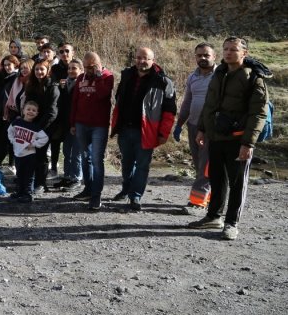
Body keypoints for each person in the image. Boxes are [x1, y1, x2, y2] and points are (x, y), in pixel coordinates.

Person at [190, 37, 270, 241]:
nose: (228, 53)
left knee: (237, 183)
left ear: (245, 53)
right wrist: (201, 129)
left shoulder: (254, 78)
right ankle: (213, 216)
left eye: (233, 49)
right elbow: (210, 104)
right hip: (216, 136)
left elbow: (258, 114)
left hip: (238, 139)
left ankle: (231, 223)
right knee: (217, 179)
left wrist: (248, 143)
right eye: (225, 49)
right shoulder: (219, 72)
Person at [110, 47, 177, 211]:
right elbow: (118, 99)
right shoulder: (127, 75)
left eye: (146, 58)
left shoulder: (163, 81)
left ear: (153, 60)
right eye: (139, 57)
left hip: (147, 131)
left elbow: (169, 112)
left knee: (142, 165)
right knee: (126, 163)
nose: (141, 61)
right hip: (125, 128)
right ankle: (126, 189)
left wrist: (163, 133)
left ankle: (136, 196)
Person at [174, 43, 217, 215]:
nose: (203, 58)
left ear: (214, 56)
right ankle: (208, 197)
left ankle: (197, 203)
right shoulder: (193, 77)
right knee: (199, 164)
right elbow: (187, 103)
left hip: (211, 128)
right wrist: (179, 124)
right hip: (192, 126)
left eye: (206, 55)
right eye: (199, 55)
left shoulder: (220, 76)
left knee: (206, 164)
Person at [70, 52, 115, 210]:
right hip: (81, 123)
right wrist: (73, 123)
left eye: (92, 65)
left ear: (99, 63)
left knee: (97, 160)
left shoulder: (107, 76)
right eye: (86, 66)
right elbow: (74, 101)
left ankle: (96, 195)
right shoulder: (80, 78)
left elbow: (103, 95)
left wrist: (97, 76)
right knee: (85, 157)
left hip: (99, 126)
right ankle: (88, 189)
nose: (88, 69)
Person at [24, 59, 59, 193]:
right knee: (29, 152)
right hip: (31, 123)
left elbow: (52, 111)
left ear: (47, 70)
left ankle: (41, 183)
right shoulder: (31, 84)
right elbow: (28, 103)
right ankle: (29, 180)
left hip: (46, 126)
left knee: (41, 154)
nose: (39, 72)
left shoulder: (52, 87)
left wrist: (39, 128)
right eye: (37, 69)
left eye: (42, 69)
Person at [7, 100, 49, 203]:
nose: (31, 112)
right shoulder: (16, 122)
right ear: (23, 110)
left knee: (29, 175)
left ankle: (28, 194)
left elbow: (45, 138)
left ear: (37, 113)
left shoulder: (36, 127)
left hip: (29, 155)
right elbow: (10, 131)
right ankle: (20, 192)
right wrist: (13, 140)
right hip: (18, 154)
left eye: (34, 110)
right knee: (19, 174)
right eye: (28, 109)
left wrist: (34, 144)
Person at [52, 59, 84, 191]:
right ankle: (67, 176)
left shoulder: (82, 84)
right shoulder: (64, 84)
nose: (71, 71)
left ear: (81, 70)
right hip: (66, 123)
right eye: (69, 68)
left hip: (77, 123)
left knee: (76, 153)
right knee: (66, 152)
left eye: (74, 68)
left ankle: (76, 178)